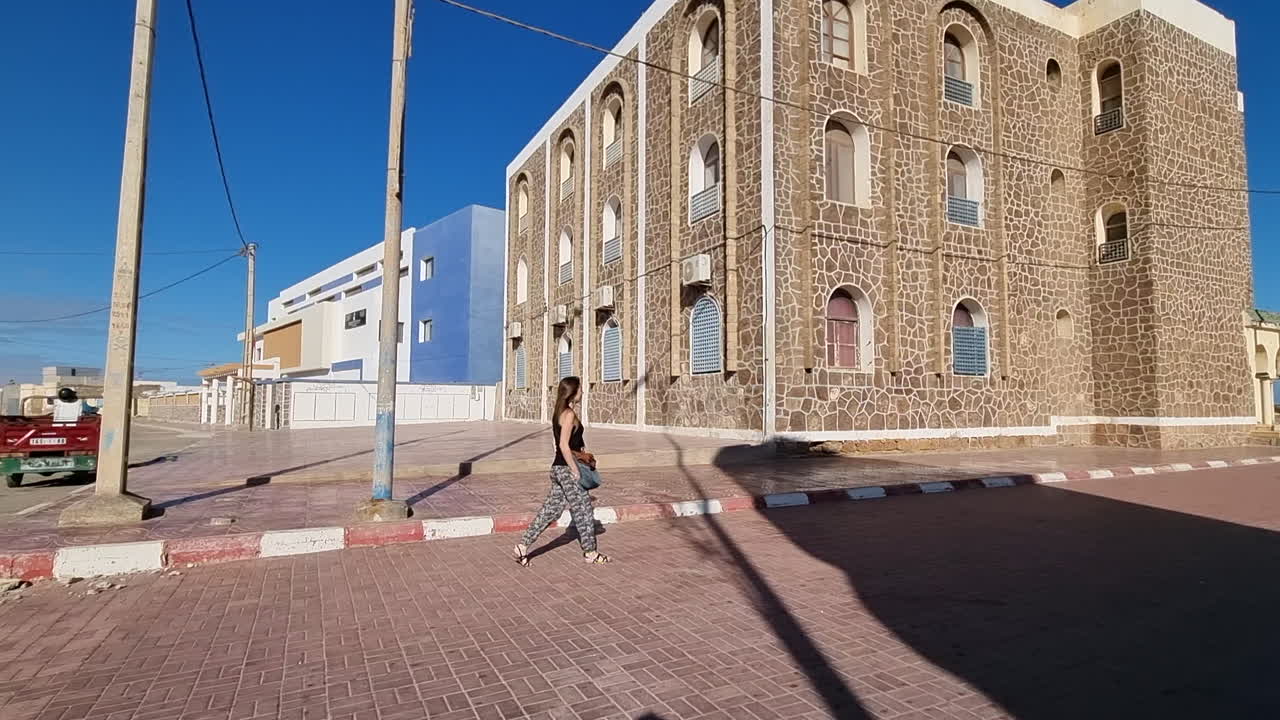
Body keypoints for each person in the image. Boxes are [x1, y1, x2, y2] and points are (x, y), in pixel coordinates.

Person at [514, 376, 611, 566]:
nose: (583, 392)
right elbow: (563, 445)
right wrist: (574, 470)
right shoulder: (568, 415)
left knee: (551, 510)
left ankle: (522, 546)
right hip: (567, 469)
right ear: (573, 392)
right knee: (583, 510)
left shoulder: (559, 412)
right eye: (580, 389)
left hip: (558, 468)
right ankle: (591, 553)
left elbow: (556, 444)